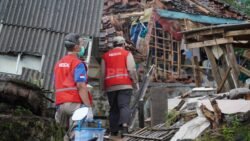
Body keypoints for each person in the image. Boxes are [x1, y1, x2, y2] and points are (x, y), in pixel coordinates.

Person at [54, 33, 93, 141]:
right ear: (76, 47)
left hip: (60, 105)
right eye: (81, 44)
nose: (82, 46)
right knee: (77, 135)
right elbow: (80, 85)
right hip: (74, 103)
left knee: (63, 134)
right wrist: (88, 107)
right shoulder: (77, 63)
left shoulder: (58, 63)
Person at [101, 36, 139, 137]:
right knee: (124, 106)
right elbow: (131, 69)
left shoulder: (105, 56)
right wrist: (135, 82)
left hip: (110, 86)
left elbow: (102, 73)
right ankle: (125, 128)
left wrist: (102, 87)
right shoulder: (127, 54)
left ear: (113, 45)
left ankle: (114, 131)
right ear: (123, 44)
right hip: (125, 85)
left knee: (113, 108)